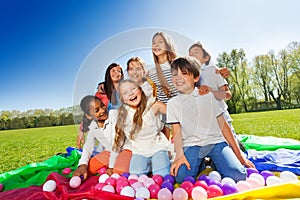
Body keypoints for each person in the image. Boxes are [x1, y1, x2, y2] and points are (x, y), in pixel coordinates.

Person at [167, 56, 255, 183]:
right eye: (175, 74)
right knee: (181, 178)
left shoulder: (207, 95)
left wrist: (240, 156)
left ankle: (216, 161)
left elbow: (223, 126)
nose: (178, 78)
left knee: (238, 176)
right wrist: (179, 155)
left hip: (216, 142)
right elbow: (176, 132)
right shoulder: (172, 103)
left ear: (196, 77)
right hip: (192, 145)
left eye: (184, 73)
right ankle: (201, 163)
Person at [189, 42, 246, 152]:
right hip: (204, 122)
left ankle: (237, 145)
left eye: (196, 52)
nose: (192, 55)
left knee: (234, 151)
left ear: (205, 58)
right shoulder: (189, 76)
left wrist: (211, 91)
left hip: (221, 118)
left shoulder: (213, 71)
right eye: (190, 54)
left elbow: (227, 95)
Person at [110, 79, 171, 176]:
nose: (130, 93)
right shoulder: (123, 115)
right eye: (125, 93)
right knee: (135, 176)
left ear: (140, 90)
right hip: (139, 151)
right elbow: (117, 141)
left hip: (158, 148)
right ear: (122, 99)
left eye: (133, 89)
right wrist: (111, 165)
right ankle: (150, 167)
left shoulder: (153, 106)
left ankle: (162, 163)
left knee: (162, 176)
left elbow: (176, 113)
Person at [73, 95, 131, 180]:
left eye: (102, 105)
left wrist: (111, 166)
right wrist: (82, 165)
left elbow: (118, 141)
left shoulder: (114, 115)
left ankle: (124, 164)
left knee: (117, 171)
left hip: (126, 149)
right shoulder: (93, 126)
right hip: (110, 152)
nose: (103, 110)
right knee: (90, 169)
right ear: (89, 116)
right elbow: (88, 147)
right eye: (97, 110)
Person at [147, 32, 178, 139]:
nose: (156, 45)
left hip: (182, 112)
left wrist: (218, 71)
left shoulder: (178, 64)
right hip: (165, 118)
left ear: (168, 45)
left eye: (160, 42)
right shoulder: (151, 73)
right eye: (154, 43)